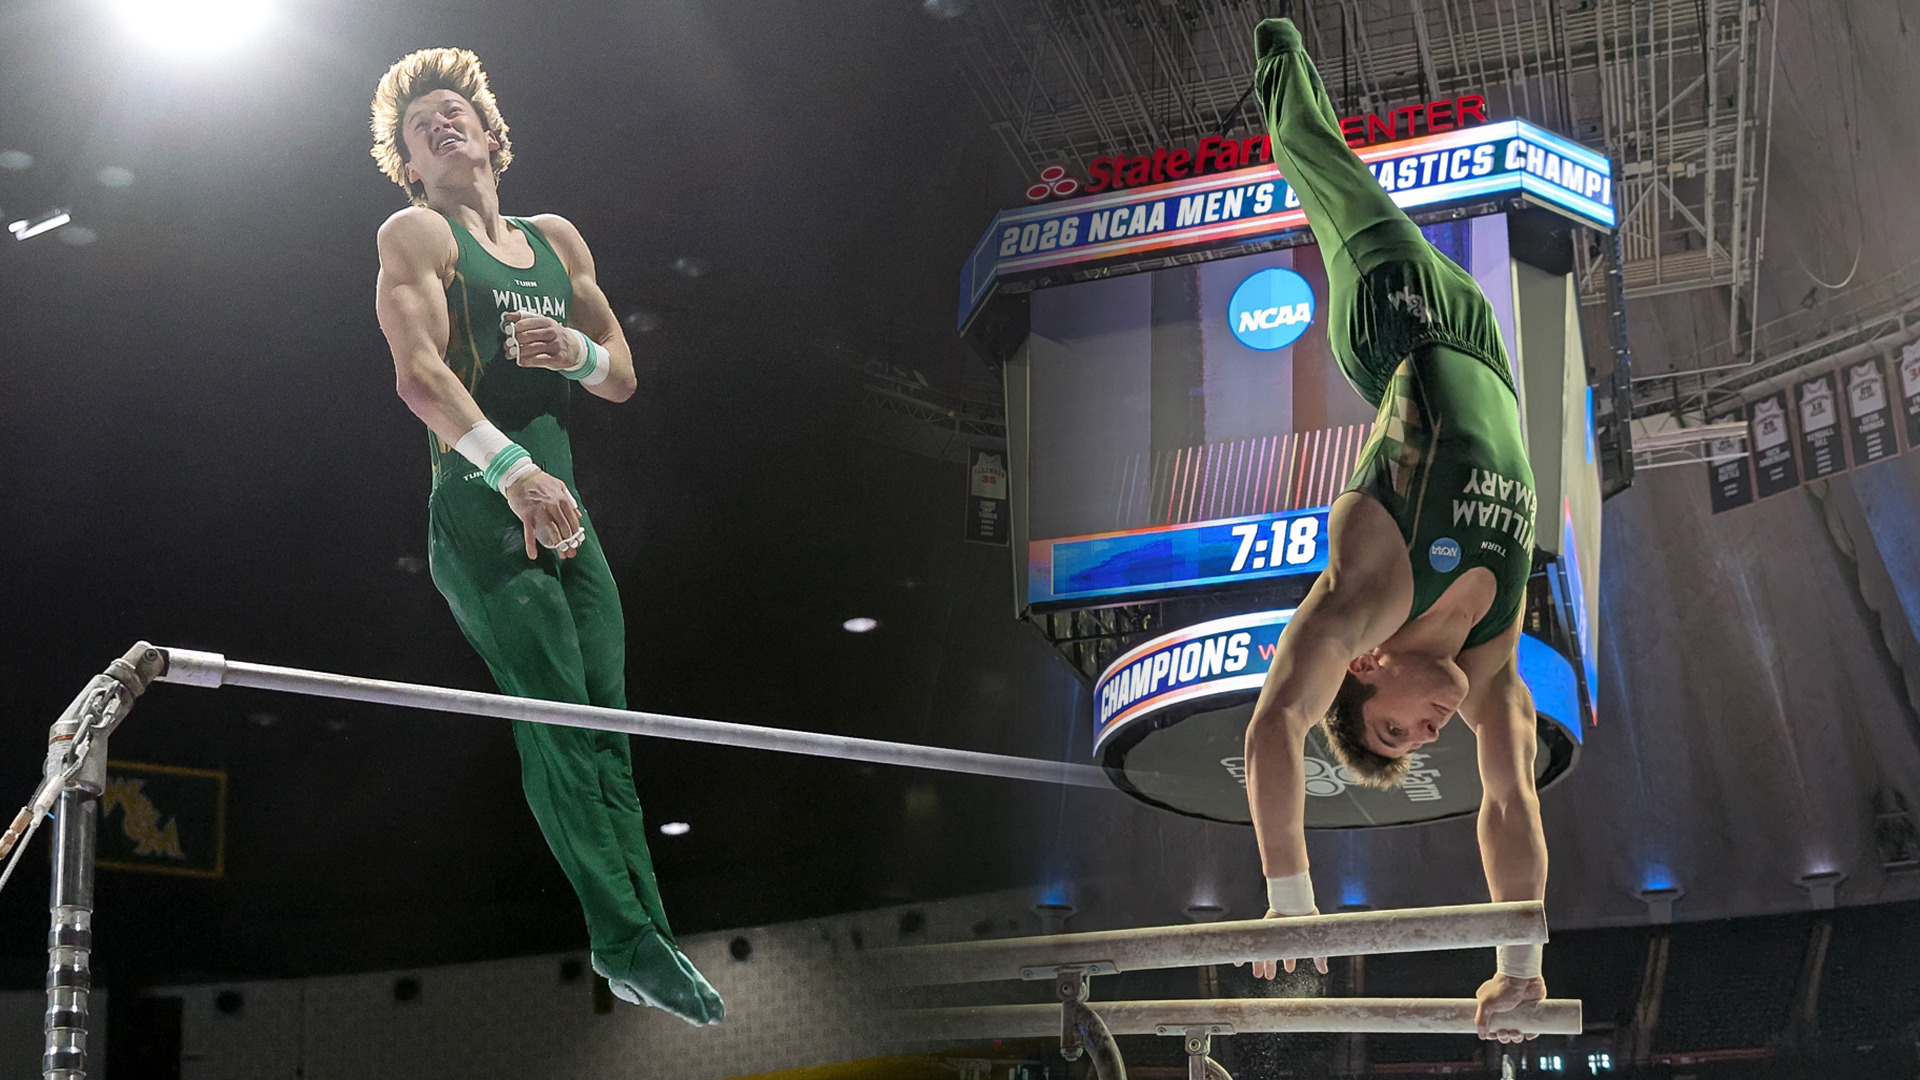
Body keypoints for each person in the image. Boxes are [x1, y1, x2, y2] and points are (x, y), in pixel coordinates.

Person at [369, 47, 723, 1026]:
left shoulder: (558, 241)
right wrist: (512, 470)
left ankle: (643, 935)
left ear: (491, 138)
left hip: (565, 511)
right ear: (409, 165)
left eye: (455, 112)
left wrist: (574, 348)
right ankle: (624, 938)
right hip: (485, 505)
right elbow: (418, 376)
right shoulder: (416, 235)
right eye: (419, 127)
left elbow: (620, 377)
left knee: (607, 725)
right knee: (560, 715)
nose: (442, 124)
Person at [1237, 17, 1547, 1042]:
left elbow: (1276, 723)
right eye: (1423, 743)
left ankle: (1272, 45)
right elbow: (1506, 804)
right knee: (1512, 756)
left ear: (1366, 666)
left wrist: (1289, 896)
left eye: (1401, 727)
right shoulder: (1495, 666)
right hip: (1490, 351)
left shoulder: (1365, 593)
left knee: (1321, 165)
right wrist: (1520, 964)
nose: (1432, 729)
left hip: (1399, 317)